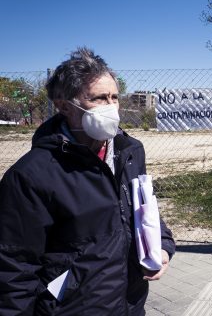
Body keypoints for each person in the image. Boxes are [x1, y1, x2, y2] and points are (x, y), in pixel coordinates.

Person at [0, 47, 175, 315]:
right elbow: (14, 268)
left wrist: (162, 245)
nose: (111, 107)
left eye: (114, 97)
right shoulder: (31, 176)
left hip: (129, 303)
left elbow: (144, 208)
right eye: (99, 98)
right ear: (64, 106)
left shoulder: (130, 152)